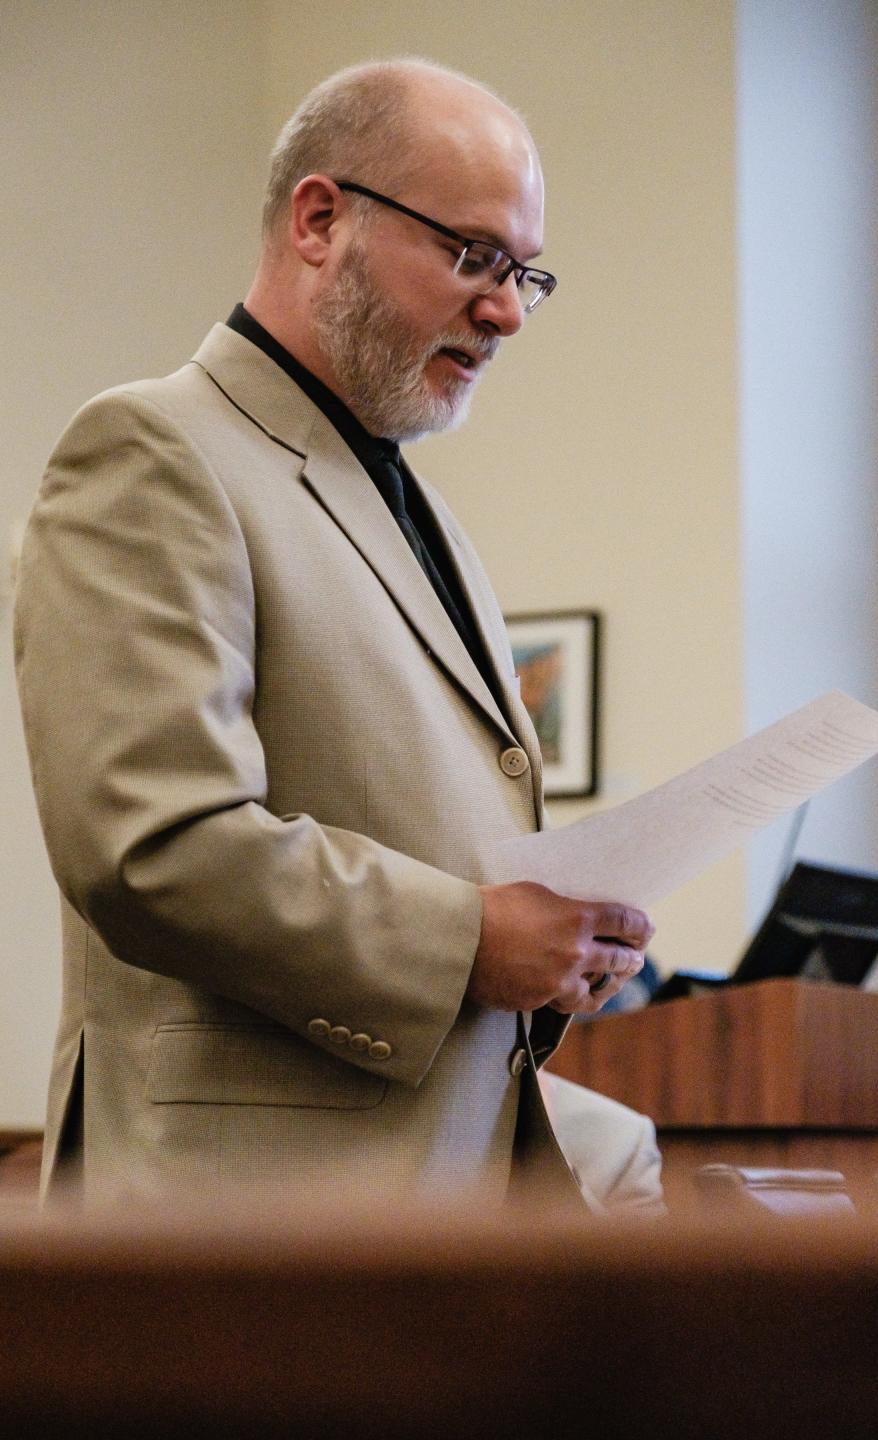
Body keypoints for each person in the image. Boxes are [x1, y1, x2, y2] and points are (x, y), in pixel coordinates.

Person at [15, 58, 662, 1213]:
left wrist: (554, 955)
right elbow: (153, 845)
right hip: (243, 1223)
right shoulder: (153, 450)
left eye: (525, 273)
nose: (508, 309)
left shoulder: (420, 511)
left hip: (432, 1203)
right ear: (321, 220)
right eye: (473, 255)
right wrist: (469, 940)